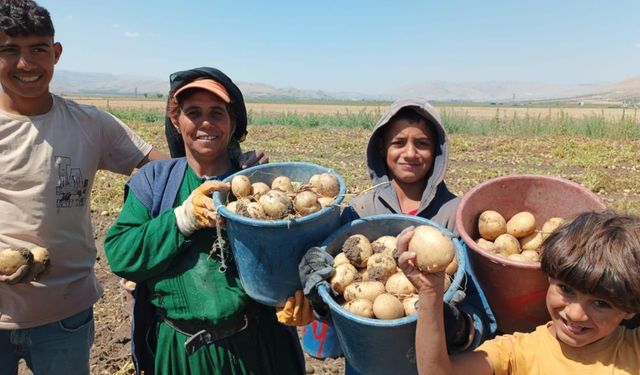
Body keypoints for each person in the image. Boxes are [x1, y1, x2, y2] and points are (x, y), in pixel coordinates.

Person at [103, 66, 306, 375]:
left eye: (217, 113)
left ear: (233, 121)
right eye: (193, 112)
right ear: (176, 119)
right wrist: (182, 219)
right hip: (180, 353)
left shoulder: (257, 184)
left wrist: (300, 297)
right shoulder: (154, 181)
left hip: (256, 347)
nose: (205, 123)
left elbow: (296, 254)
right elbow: (121, 254)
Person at [0, 1, 167, 374]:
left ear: (55, 53)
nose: (25, 64)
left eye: (37, 49)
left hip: (65, 316)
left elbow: (165, 171)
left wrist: (231, 167)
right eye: (9, 50)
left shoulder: (90, 124)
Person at [300, 99, 496, 356]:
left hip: (433, 363)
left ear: (437, 150)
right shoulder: (359, 211)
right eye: (399, 142)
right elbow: (342, 308)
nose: (410, 153)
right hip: (369, 361)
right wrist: (321, 299)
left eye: (422, 143)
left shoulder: (456, 215)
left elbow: (481, 317)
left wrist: (454, 325)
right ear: (382, 147)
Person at [397, 210, 640, 375]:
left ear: (630, 309)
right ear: (548, 278)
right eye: (566, 289)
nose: (576, 314)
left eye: (600, 303)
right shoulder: (519, 351)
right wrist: (430, 293)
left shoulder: (634, 349)